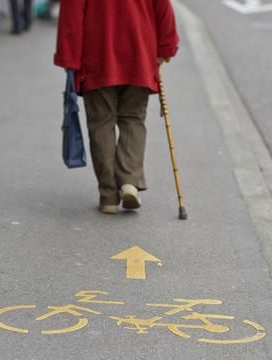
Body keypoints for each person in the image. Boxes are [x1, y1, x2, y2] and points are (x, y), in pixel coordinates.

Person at [54, 0, 179, 214]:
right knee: (133, 118)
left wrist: (70, 58)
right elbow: (163, 9)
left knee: (101, 122)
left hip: (97, 55)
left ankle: (109, 196)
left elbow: (71, 15)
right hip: (139, 52)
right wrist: (166, 48)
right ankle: (129, 181)